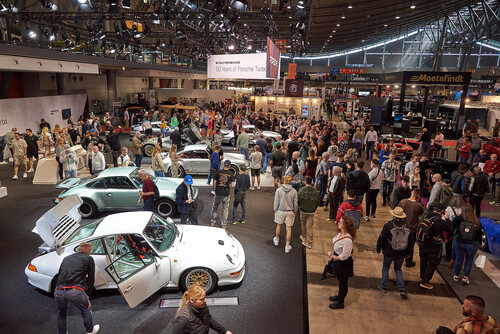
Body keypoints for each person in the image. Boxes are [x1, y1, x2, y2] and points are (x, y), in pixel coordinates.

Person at [54, 242, 100, 334]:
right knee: (86, 309)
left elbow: (59, 275)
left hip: (58, 291)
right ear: (88, 252)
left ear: (79, 249)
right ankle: (90, 331)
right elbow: (91, 279)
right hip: (75, 290)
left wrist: (62, 295)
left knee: (61, 314)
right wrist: (88, 295)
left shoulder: (66, 258)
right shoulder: (89, 258)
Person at [376, 206, 413, 299]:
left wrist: (378, 249)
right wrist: (409, 253)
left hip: (389, 251)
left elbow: (382, 238)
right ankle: (401, 289)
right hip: (401, 253)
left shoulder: (388, 225)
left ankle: (383, 286)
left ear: (393, 215)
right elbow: (411, 242)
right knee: (398, 269)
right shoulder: (407, 227)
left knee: (386, 267)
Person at [419, 203, 453, 290]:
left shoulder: (426, 216)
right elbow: (450, 230)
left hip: (423, 243)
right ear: (442, 211)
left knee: (423, 260)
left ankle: (422, 276)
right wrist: (447, 219)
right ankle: (425, 281)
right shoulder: (440, 221)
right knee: (433, 262)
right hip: (434, 245)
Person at [328, 215, 356, 310]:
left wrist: (335, 257)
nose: (338, 223)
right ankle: (339, 296)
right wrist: (333, 253)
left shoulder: (347, 240)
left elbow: (345, 255)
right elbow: (335, 244)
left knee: (343, 282)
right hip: (338, 260)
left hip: (343, 263)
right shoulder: (340, 233)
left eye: (340, 222)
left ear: (345, 225)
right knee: (340, 281)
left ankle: (340, 302)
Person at [452, 203, 482, 284]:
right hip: (472, 244)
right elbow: (479, 234)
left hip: (459, 242)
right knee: (469, 260)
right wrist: (480, 243)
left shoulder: (458, 219)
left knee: (459, 258)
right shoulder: (476, 220)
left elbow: (452, 228)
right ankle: (465, 277)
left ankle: (456, 276)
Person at [399, 188, 425, 267]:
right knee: (410, 246)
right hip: (411, 228)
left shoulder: (402, 202)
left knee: (400, 244)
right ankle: (408, 262)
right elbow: (420, 214)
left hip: (401, 226)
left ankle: (399, 259)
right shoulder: (418, 206)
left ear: (411, 193)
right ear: (418, 196)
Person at [273, 175, 298, 253]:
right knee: (289, 229)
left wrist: (275, 209)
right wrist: (295, 211)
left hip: (280, 210)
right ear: (291, 181)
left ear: (283, 180)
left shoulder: (279, 190)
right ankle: (287, 246)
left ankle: (276, 240)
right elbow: (295, 204)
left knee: (278, 225)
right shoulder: (294, 191)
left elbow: (276, 201)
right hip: (290, 212)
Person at [210, 160, 235, 229]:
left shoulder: (218, 172)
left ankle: (212, 221)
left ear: (224, 165)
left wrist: (215, 189)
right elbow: (232, 185)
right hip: (226, 193)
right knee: (225, 209)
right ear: (229, 166)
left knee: (215, 207)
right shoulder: (231, 173)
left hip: (218, 192)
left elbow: (214, 182)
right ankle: (223, 225)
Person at [298, 175, 321, 249]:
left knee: (303, 223)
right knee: (310, 226)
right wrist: (314, 208)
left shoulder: (301, 190)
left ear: (305, 181)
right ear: (311, 182)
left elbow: (298, 200)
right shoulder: (315, 191)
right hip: (311, 211)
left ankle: (304, 236)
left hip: (303, 210)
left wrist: (299, 207)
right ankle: (309, 242)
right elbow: (318, 201)